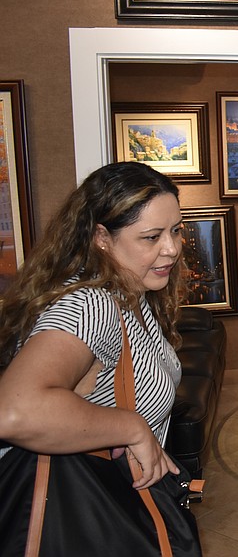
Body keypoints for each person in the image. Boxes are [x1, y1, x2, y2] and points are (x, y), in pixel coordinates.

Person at [0, 161, 185, 492]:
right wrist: (130, 427)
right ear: (102, 237)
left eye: (176, 230)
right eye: (151, 237)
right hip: (88, 518)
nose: (171, 248)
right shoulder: (92, 303)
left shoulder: (133, 293)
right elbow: (14, 410)